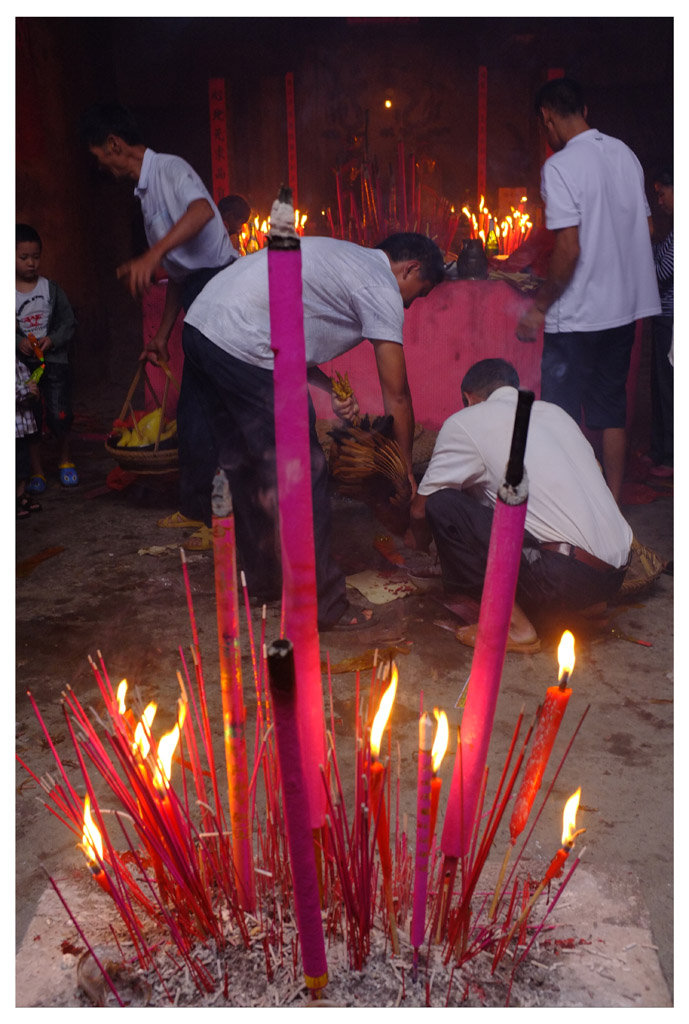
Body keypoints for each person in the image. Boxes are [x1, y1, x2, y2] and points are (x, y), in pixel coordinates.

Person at [182, 231, 445, 629]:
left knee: (248, 464)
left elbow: (279, 315)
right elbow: (399, 398)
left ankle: (265, 584)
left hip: (203, 327)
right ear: (411, 268)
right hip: (243, 339)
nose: (410, 303)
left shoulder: (342, 260)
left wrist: (324, 385)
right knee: (305, 471)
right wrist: (404, 468)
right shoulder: (380, 285)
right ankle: (322, 606)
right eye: (417, 292)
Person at [79, 103, 238, 544]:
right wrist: (163, 334)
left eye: (100, 156)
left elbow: (203, 212)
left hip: (221, 287)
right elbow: (179, 272)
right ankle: (195, 509)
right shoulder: (145, 192)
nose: (102, 166)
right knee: (192, 408)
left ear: (114, 144)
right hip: (196, 290)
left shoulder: (169, 169)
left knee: (217, 406)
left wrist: (150, 256)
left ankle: (221, 519)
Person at [407, 358, 632, 653]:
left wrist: (417, 542)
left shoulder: (465, 422)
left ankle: (516, 627)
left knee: (443, 503)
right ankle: (585, 606)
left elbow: (420, 511)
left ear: (468, 397)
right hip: (616, 574)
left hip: (566, 576)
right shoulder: (555, 413)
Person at [515, 77, 661, 503]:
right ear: (585, 110)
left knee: (560, 417)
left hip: (577, 317)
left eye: (543, 126)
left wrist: (540, 307)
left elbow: (569, 248)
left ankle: (568, 509)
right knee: (611, 412)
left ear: (548, 118)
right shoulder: (625, 154)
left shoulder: (559, 167)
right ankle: (612, 510)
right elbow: (648, 229)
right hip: (622, 313)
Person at [16, 223, 78, 492]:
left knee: (59, 412)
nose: (31, 263)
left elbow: (68, 321)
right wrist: (18, 342)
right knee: (31, 417)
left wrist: (52, 339)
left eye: (36, 256)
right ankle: (37, 471)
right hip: (24, 369)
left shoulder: (51, 289)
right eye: (23, 257)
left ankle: (65, 460)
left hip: (52, 364)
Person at [647, 166, 673, 478]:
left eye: (662, 192)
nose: (660, 201)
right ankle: (661, 448)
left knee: (669, 388)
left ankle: (670, 456)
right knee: (660, 384)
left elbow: (659, 272)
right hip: (665, 317)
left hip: (673, 320)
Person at [16, 358, 43, 519]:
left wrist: (34, 392)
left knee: (22, 462)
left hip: (21, 425)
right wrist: (27, 390)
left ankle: (20, 495)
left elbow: (29, 384)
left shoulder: (18, 363)